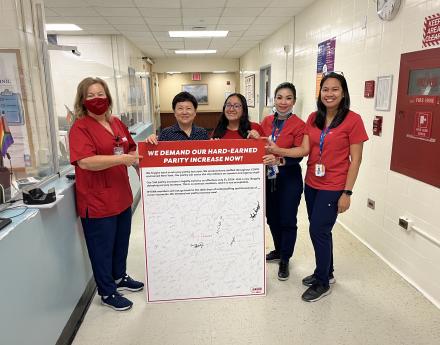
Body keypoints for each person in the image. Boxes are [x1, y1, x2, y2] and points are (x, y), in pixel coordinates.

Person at [267, 72, 368, 302]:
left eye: (335, 89)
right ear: (319, 93)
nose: (329, 94)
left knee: (318, 231)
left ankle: (322, 282)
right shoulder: (313, 118)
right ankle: (327, 272)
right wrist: (278, 152)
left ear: (343, 93)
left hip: (334, 185)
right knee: (319, 229)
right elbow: (303, 150)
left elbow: (356, 160)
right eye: (325, 89)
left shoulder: (353, 120)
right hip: (312, 182)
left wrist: (347, 192)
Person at [69, 77, 144, 311]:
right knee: (101, 249)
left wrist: (142, 168)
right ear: (82, 100)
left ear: (108, 97)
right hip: (98, 201)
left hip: (121, 196)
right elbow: (86, 162)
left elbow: (131, 148)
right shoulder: (80, 127)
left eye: (100, 94)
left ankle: (120, 277)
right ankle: (107, 292)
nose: (97, 99)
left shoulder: (116, 123)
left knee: (121, 242)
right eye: (90, 95)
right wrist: (121, 159)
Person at [251, 82, 305, 281]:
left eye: (288, 98)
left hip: (289, 178)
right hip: (268, 177)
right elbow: (258, 146)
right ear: (274, 100)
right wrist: (255, 137)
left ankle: (285, 258)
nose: (283, 102)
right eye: (279, 97)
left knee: (287, 220)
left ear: (294, 101)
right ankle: (278, 249)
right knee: (272, 218)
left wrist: (279, 159)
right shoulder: (265, 121)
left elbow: (299, 154)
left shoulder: (300, 125)